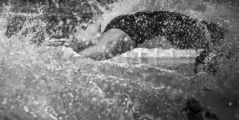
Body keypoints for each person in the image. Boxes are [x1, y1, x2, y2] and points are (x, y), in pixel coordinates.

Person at [71, 11, 225, 74]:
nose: (78, 28)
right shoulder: (113, 33)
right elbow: (106, 48)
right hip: (185, 28)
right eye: (78, 35)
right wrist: (68, 60)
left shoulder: (112, 23)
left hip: (183, 27)